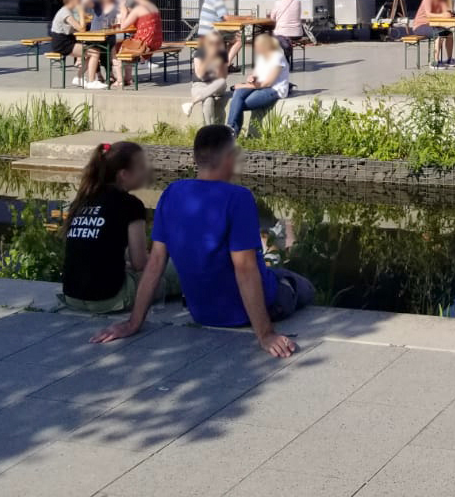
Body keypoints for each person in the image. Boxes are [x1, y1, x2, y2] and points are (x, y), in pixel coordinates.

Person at [93, 124, 313, 354]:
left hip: (202, 313)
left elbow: (155, 263)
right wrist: (265, 335)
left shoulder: (171, 193)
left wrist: (132, 323)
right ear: (229, 158)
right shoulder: (238, 198)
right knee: (299, 284)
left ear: (196, 158)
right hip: (241, 313)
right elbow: (245, 270)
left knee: (272, 271)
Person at [60, 141, 153, 314]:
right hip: (109, 299)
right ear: (124, 174)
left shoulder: (83, 200)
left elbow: (95, 247)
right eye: (141, 167)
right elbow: (140, 264)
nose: (146, 171)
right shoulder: (131, 204)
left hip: (72, 296)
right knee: (171, 268)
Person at [227, 34, 291, 135]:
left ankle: (232, 131)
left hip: (274, 89)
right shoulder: (263, 55)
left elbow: (268, 83)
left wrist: (244, 85)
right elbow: (256, 73)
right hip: (258, 85)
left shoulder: (278, 57)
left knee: (240, 103)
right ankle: (231, 129)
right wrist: (252, 77)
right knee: (238, 93)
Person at [111, 0, 163, 88]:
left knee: (116, 49)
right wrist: (129, 10)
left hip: (143, 42)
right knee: (126, 46)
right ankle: (128, 79)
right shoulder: (153, 6)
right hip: (156, 41)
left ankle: (120, 81)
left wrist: (123, 10)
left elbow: (123, 26)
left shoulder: (139, 8)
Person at [184, 32, 231, 125]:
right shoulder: (198, 54)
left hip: (216, 86)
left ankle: (192, 103)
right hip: (199, 85)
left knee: (221, 82)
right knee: (208, 100)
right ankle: (210, 129)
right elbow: (200, 75)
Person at [82, 0, 121, 89]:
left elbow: (120, 18)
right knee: (95, 50)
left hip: (108, 36)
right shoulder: (98, 3)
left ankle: (110, 76)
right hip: (95, 36)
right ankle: (98, 76)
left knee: (108, 50)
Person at [410, 0, 454, 65]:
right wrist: (443, 15)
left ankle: (449, 59)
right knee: (439, 34)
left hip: (432, 25)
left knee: (449, 34)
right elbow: (429, 14)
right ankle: (435, 61)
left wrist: (449, 13)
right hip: (420, 26)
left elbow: (446, 11)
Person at [48, 0, 85, 76]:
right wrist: (81, 12)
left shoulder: (67, 11)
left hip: (66, 41)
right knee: (94, 52)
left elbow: (78, 29)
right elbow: (82, 29)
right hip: (62, 44)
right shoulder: (65, 13)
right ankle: (81, 78)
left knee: (94, 51)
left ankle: (94, 78)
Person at [270, 0, 303, 64]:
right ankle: (286, 53)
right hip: (297, 34)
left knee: (271, 36)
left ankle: (278, 58)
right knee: (283, 38)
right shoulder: (298, 2)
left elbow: (272, 18)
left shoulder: (278, 3)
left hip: (282, 32)